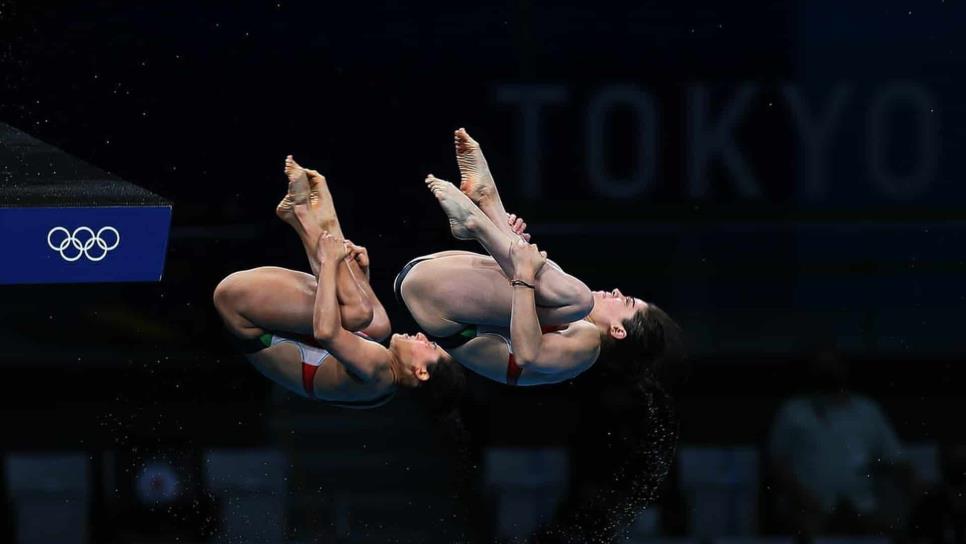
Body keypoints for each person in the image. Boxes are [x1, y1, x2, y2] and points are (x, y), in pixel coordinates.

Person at [395, 128, 684, 388]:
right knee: (549, 277)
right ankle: (487, 210)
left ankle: (480, 220)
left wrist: (522, 272)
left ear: (619, 331)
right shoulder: (571, 319)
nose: (618, 293)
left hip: (438, 303)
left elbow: (526, 354)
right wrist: (515, 245)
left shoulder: (586, 347)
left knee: (573, 294)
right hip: (433, 284)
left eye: (626, 302)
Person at [213, 156, 460, 408]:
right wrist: (361, 275)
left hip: (242, 310)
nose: (421, 335)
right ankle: (311, 214)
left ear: (421, 372)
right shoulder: (381, 378)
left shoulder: (379, 370)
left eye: (429, 345)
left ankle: (302, 213)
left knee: (357, 312)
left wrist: (331, 262)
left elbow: (326, 332)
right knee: (376, 323)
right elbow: (346, 307)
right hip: (255, 315)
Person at [766, 349, 918, 537]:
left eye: (832, 364)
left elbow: (895, 458)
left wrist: (918, 490)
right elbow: (777, 463)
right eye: (821, 365)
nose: (827, 371)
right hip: (811, 513)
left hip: (863, 511)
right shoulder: (794, 412)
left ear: (844, 368)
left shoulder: (867, 410)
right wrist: (803, 498)